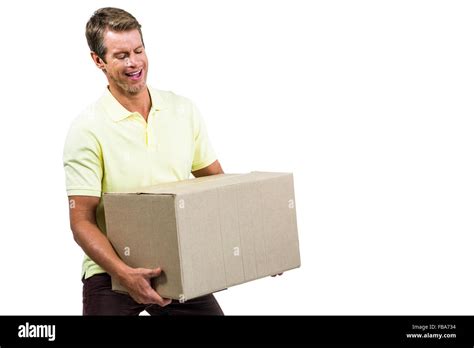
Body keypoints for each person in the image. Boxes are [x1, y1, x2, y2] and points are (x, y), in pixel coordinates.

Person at [62, 7, 225, 315]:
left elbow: (216, 184)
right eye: (121, 55)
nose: (134, 62)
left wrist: (255, 246)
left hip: (175, 262)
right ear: (98, 61)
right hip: (110, 271)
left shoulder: (183, 111)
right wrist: (125, 274)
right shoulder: (87, 128)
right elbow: (81, 221)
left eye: (138, 50)